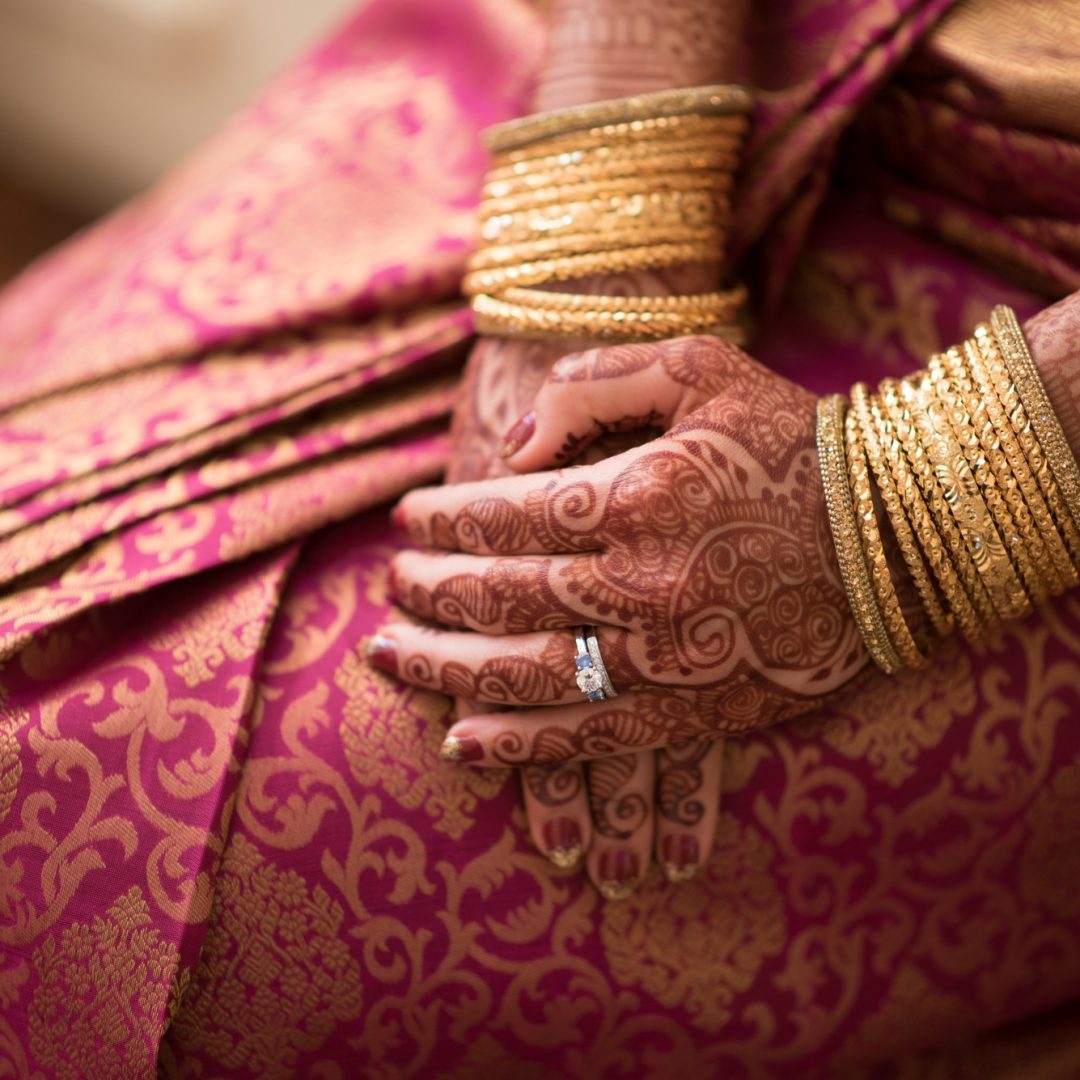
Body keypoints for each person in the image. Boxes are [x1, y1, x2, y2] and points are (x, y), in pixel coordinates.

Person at [2, 0, 1080, 1076]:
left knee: (68, 836)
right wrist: (598, 219)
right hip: (630, 79)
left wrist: (913, 499)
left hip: (1028, 341)